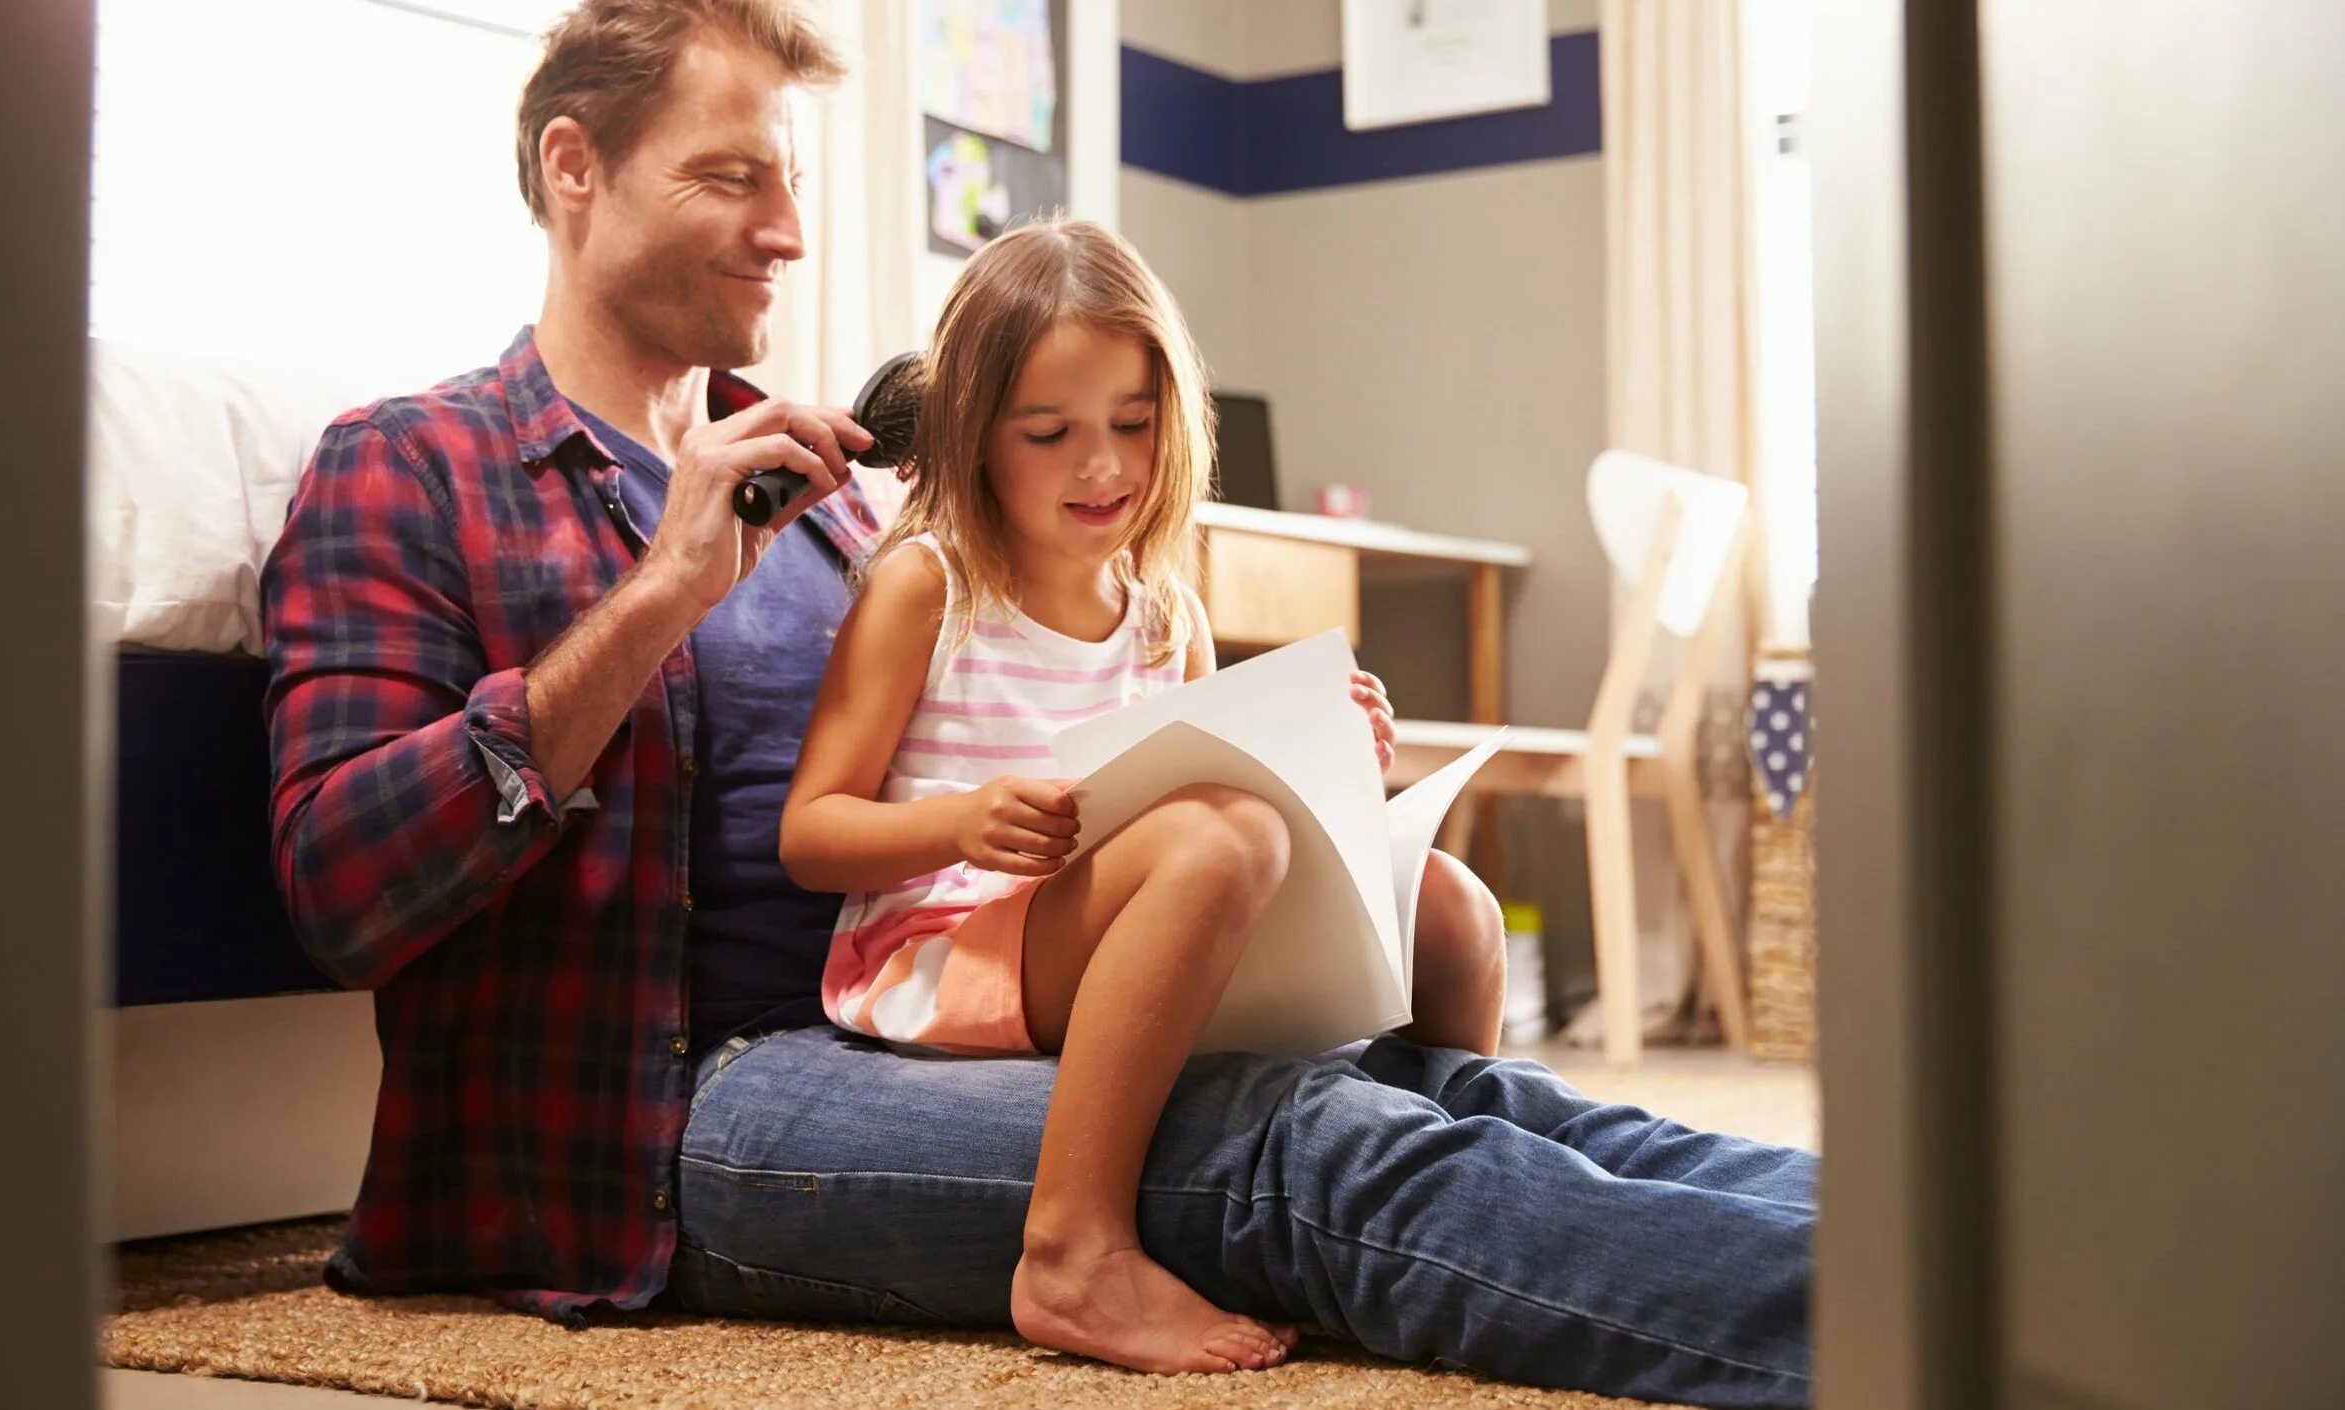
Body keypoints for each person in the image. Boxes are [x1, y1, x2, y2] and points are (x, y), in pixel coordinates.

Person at [259, 1, 1818, 1404]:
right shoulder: (407, 464)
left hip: (951, 1011)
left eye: (792, 181)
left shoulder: (832, 505)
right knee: (1305, 1151)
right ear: (575, 167)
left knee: (1451, 1086)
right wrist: (662, 587)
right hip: (682, 1114)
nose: (790, 229)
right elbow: (342, 892)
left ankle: (1956, 1238)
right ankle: (1899, 1334)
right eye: (734, 177)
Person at [779, 218, 1510, 1375]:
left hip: (1130, 926)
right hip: (945, 951)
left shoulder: (1167, 611)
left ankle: (1450, 1179)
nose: (1103, 466)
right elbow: (812, 834)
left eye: (1133, 423)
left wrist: (1327, 751)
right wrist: (958, 822)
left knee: (1454, 909)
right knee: (1218, 844)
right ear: (975, 435)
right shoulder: (929, 586)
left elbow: (1231, 795)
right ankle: (1071, 1249)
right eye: (1049, 433)